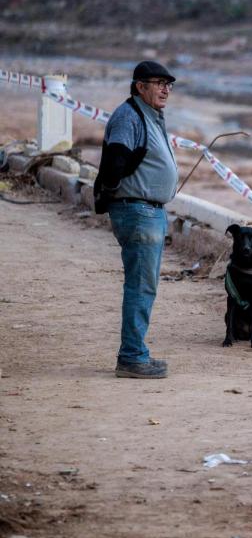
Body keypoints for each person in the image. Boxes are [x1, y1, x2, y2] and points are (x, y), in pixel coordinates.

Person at [94, 61, 179, 379]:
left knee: (143, 285)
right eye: (159, 83)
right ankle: (131, 357)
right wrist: (121, 193)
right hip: (138, 211)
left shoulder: (149, 115)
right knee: (141, 287)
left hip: (147, 210)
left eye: (169, 84)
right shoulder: (129, 115)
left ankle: (134, 353)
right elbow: (115, 162)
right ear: (140, 86)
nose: (165, 89)